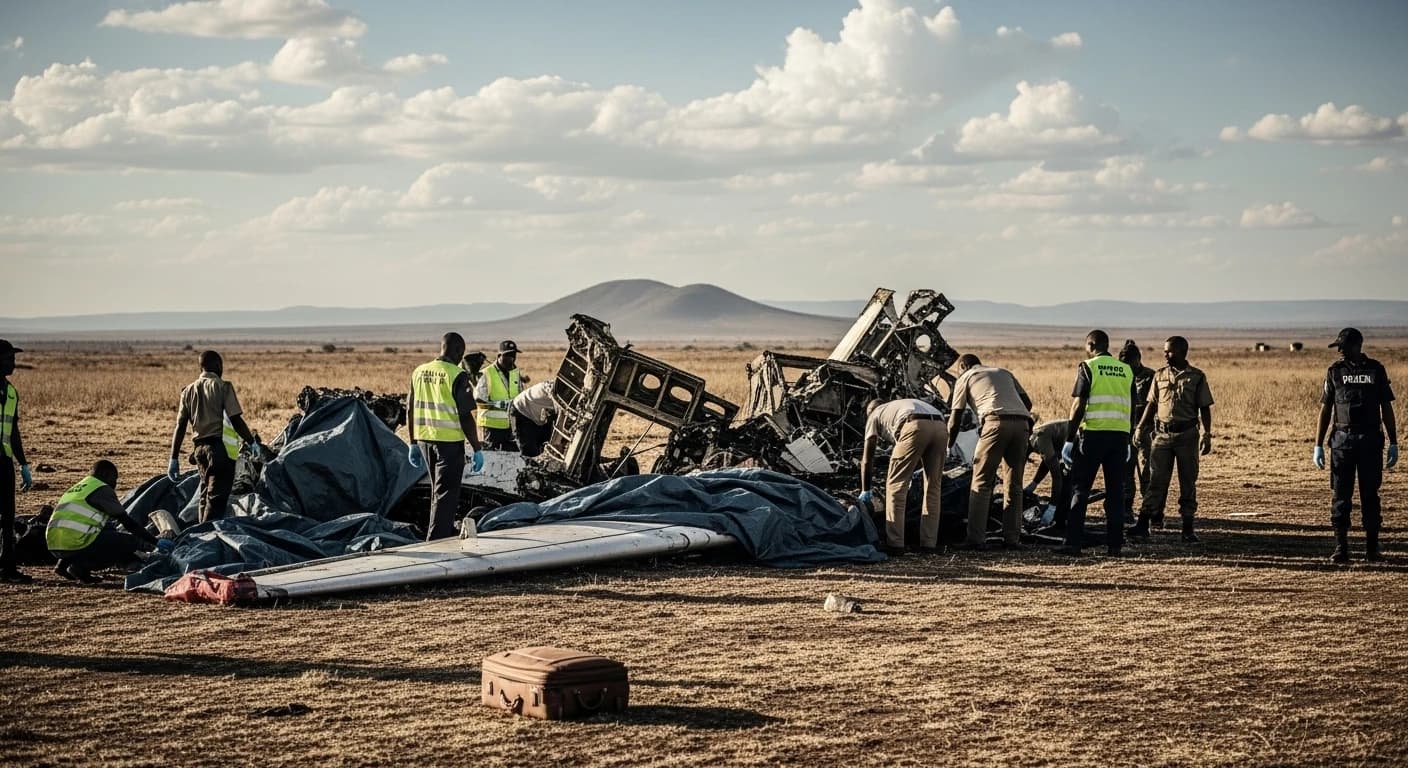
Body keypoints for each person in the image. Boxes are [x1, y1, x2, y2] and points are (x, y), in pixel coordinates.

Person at [1313, 328, 1397, 563]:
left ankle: (1372, 548)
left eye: (1344, 346)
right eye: (1338, 346)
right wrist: (1318, 444)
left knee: (1370, 496)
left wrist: (1394, 442)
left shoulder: (1376, 370)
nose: (1340, 350)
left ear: (1357, 346)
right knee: (1341, 496)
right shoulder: (1335, 372)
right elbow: (1326, 409)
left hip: (1370, 442)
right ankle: (1341, 548)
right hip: (1342, 443)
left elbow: (1386, 407)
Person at [1128, 336, 1215, 543]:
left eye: (1169, 351)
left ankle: (1187, 528)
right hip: (1162, 436)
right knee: (1156, 480)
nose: (1165, 354)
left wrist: (1207, 434)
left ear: (1182, 352)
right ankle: (1143, 523)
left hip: (1187, 436)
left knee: (1188, 481)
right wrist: (1140, 428)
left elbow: (1204, 407)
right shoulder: (1159, 375)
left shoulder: (1196, 377)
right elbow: (1151, 404)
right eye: (1164, 350)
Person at [1059, 330, 1136, 557]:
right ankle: (1115, 545)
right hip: (1119, 437)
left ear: (1091, 345)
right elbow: (1132, 406)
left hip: (1093, 435)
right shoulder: (1126, 370)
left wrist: (1069, 439)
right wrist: (1129, 438)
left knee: (1080, 489)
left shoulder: (1088, 366)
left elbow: (1078, 405)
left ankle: (1073, 544)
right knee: (1115, 492)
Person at [947, 354, 1033, 549]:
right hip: (1022, 425)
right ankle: (1012, 539)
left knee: (982, 482)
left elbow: (955, 417)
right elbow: (1027, 403)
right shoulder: (1003, 372)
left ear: (963, 366)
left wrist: (949, 446)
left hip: (995, 423)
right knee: (1014, 484)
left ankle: (975, 539)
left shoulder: (966, 377)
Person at [409, 333, 485, 540]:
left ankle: (441, 531)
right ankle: (436, 541)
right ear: (459, 351)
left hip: (424, 440)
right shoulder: (457, 375)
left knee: (437, 491)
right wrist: (477, 448)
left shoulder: (419, 371)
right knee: (446, 495)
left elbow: (410, 409)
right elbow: (465, 416)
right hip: (448, 444)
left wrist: (413, 443)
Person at [168, 350, 258, 523]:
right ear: (218, 365)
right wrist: (252, 442)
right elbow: (235, 419)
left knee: (204, 497)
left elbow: (180, 426)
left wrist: (173, 459)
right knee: (216, 501)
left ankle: (200, 531)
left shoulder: (188, 391)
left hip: (199, 451)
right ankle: (207, 534)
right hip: (219, 451)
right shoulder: (223, 387)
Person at [46, 460, 170, 583]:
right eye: (114, 479)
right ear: (105, 475)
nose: (115, 484)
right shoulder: (101, 489)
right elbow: (128, 523)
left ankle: (62, 566)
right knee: (127, 543)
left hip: (54, 542)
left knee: (106, 528)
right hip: (75, 541)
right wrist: (155, 542)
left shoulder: (80, 487)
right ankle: (81, 567)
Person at [857, 398, 947, 556]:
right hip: (940, 426)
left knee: (896, 486)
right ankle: (929, 544)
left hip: (914, 424)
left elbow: (867, 458)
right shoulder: (897, 407)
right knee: (933, 486)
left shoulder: (874, 414)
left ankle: (895, 543)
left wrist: (866, 489)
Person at [1, 339, 35, 584]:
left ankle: (8, 567)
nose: (13, 363)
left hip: (4, 461)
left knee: (7, 516)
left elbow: (13, 431)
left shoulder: (11, 392)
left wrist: (23, 464)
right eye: (8, 359)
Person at [1119, 340, 1156, 524]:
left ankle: (1149, 511)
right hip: (1125, 430)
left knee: (1147, 471)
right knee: (1126, 471)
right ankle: (1127, 509)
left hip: (1146, 431)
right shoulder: (1120, 376)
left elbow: (1153, 404)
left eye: (1129, 363)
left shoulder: (1150, 376)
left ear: (1138, 359)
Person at [475, 340, 527, 451]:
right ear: (499, 356)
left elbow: (520, 397)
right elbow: (479, 400)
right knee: (489, 459)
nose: (512, 359)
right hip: (490, 429)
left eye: (514, 355)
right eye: (508, 355)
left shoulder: (515, 374)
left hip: (509, 428)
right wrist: (503, 405)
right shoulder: (486, 373)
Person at [1025, 419, 1071, 531]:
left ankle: (1062, 521)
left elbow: (1056, 476)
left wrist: (1051, 508)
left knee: (1066, 480)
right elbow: (1047, 462)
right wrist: (1033, 484)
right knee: (1065, 478)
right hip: (1072, 436)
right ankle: (1062, 519)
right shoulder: (1039, 437)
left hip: (1077, 439)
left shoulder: (1038, 438)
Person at [511, 379, 557, 458]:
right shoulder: (552, 389)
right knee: (530, 452)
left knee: (544, 448)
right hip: (522, 411)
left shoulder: (556, 389)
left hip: (538, 415)